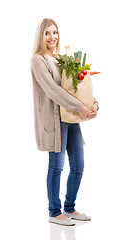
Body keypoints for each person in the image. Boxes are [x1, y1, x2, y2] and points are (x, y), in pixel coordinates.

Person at [30, 18, 99, 226]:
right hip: (54, 120)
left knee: (78, 165)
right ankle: (54, 211)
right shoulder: (37, 60)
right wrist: (80, 107)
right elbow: (52, 90)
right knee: (57, 166)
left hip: (70, 118)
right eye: (47, 33)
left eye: (55, 32)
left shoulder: (61, 58)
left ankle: (69, 208)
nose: (52, 37)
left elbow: (75, 86)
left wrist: (93, 103)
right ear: (41, 37)